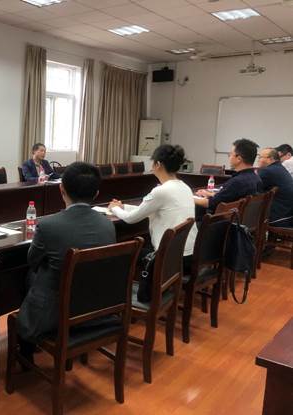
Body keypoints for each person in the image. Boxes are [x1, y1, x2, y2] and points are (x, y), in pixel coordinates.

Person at [16, 162, 116, 355]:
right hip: (96, 308)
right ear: (96, 194)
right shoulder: (108, 225)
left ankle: (27, 348)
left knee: (31, 275)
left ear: (61, 189)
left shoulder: (48, 225)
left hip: (56, 314)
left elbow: (33, 261)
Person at [109, 145, 197, 302]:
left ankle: (118, 299)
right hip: (186, 255)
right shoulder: (184, 187)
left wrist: (114, 209)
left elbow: (131, 219)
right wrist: (123, 207)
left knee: (123, 252)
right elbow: (148, 209)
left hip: (168, 259)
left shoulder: (161, 191)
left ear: (158, 164)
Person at [194, 138, 262, 213]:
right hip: (243, 218)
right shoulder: (256, 178)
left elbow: (210, 203)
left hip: (222, 218)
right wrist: (210, 194)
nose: (229, 157)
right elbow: (229, 196)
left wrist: (189, 198)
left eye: (230, 154)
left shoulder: (237, 182)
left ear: (239, 159)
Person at [257, 147, 293, 223]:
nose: (258, 160)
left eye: (260, 157)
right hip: (288, 215)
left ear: (271, 159)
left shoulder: (267, 171)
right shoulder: (280, 168)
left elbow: (252, 188)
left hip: (278, 218)